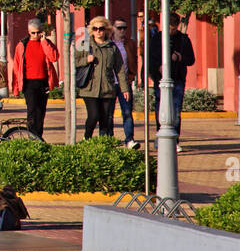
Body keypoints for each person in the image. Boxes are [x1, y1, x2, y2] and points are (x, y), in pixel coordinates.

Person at [145, 11, 194, 151]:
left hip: (177, 79)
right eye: (169, 27)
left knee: (176, 110)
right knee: (161, 109)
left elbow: (191, 59)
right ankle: (160, 136)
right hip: (160, 80)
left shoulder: (183, 39)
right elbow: (150, 59)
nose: (171, 30)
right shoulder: (156, 39)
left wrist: (179, 58)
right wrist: (157, 68)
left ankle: (174, 139)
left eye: (174, 27)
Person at [74, 16, 129, 139]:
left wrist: (124, 89)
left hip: (107, 88)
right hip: (89, 88)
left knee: (106, 118)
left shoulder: (112, 47)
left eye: (101, 28)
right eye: (95, 28)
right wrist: (85, 60)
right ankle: (87, 138)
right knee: (93, 116)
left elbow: (119, 69)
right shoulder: (84, 44)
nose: (98, 31)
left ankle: (104, 144)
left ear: (106, 30)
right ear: (91, 30)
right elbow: (73, 61)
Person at [9, 18, 59, 139]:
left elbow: (54, 57)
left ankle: (38, 137)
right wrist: (15, 87)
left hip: (43, 82)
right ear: (29, 32)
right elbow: (16, 67)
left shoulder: (46, 43)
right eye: (33, 33)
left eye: (38, 32)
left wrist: (44, 42)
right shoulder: (22, 45)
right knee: (32, 111)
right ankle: (32, 136)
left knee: (41, 112)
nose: (36, 35)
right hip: (29, 83)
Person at [111, 18, 140, 148]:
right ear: (113, 28)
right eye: (119, 28)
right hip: (110, 83)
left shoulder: (130, 44)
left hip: (125, 83)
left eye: (125, 28)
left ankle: (129, 139)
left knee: (127, 112)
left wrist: (134, 76)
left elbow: (134, 60)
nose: (122, 30)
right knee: (108, 113)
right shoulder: (108, 43)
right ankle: (109, 139)